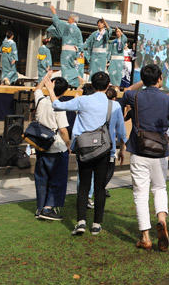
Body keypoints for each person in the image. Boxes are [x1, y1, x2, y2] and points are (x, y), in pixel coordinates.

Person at [121, 65, 169, 251]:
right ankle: (161, 219)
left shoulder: (135, 96)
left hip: (139, 151)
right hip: (160, 152)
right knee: (160, 188)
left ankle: (145, 236)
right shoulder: (168, 101)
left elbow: (126, 91)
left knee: (140, 193)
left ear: (144, 80)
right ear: (160, 79)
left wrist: (142, 82)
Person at [48, 71, 126, 236]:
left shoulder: (82, 100)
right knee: (99, 187)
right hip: (104, 150)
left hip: (84, 148)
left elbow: (57, 105)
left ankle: (81, 221)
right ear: (108, 85)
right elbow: (121, 130)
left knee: (83, 186)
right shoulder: (115, 105)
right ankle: (97, 223)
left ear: (92, 84)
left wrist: (50, 89)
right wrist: (122, 148)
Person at [33, 70, 71, 221]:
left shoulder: (41, 101)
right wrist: (68, 144)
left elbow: (36, 90)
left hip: (41, 145)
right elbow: (63, 129)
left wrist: (45, 79)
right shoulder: (59, 106)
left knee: (42, 178)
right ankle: (48, 208)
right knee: (57, 179)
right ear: (64, 92)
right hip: (56, 147)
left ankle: (41, 207)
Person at [49, 5, 85, 88]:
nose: (67, 19)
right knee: (70, 66)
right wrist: (79, 51)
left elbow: (57, 22)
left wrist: (54, 12)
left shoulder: (68, 26)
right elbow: (80, 43)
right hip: (73, 51)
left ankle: (73, 80)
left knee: (65, 67)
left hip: (66, 51)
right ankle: (75, 81)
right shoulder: (78, 30)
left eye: (69, 18)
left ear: (72, 19)